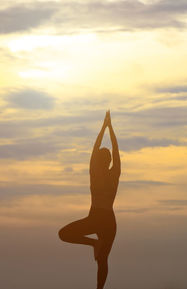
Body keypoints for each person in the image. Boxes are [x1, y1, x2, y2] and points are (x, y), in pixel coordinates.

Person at [58, 110, 121, 289]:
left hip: (97, 217)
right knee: (103, 260)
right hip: (109, 220)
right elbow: (115, 151)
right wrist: (110, 128)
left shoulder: (95, 174)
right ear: (107, 161)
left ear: (101, 160)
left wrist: (104, 127)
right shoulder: (114, 173)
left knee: (64, 234)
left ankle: (94, 243)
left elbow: (97, 151)